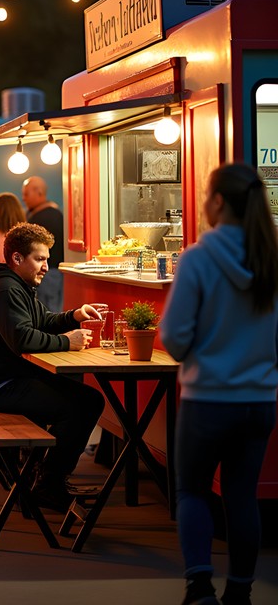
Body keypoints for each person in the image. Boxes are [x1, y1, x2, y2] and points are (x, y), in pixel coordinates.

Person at [160, 164, 278, 605]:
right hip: (260, 400)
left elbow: (173, 337)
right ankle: (241, 592)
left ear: (219, 202)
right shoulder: (271, 258)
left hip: (207, 399)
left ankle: (200, 588)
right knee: (242, 495)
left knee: (192, 489)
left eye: (206, 195)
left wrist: (200, 351)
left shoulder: (198, 258)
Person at [0, 222, 104, 513]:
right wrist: (67, 342)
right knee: (83, 404)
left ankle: (45, 476)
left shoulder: (17, 287)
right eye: (39, 259)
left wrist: (73, 316)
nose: (45, 267)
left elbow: (43, 321)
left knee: (85, 400)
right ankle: (48, 485)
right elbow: (22, 338)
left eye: (47, 260)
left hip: (0, 380)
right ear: (16, 258)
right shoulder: (6, 290)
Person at [22, 176, 64, 312]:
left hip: (45, 275)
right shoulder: (57, 214)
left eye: (26, 194)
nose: (23, 198)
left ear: (39, 192)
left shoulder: (37, 218)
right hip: (57, 273)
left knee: (45, 314)